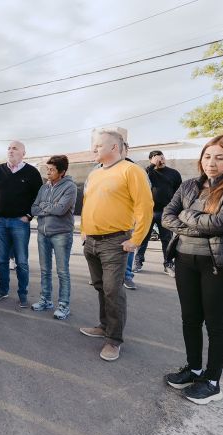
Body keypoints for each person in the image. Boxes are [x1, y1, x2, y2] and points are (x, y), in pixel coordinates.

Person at [161, 134, 223, 404]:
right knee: (190, 319)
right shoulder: (190, 184)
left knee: (216, 324)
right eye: (207, 156)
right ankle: (193, 369)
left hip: (221, 264)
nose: (211, 163)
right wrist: (202, 222)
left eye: (219, 157)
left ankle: (212, 381)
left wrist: (187, 215)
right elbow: (168, 216)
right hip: (185, 260)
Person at [79, 130, 153, 362]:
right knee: (101, 287)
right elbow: (88, 203)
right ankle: (104, 326)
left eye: (98, 146)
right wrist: (83, 232)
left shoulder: (131, 171)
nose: (94, 150)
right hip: (91, 241)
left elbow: (145, 206)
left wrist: (136, 240)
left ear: (114, 148)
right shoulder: (95, 173)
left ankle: (114, 340)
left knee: (113, 290)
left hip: (114, 242)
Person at [0, 140, 44, 307]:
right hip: (0, 222)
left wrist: (29, 215)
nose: (11, 151)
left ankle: (22, 294)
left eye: (15, 148)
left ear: (23, 153)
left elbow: (39, 197)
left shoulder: (31, 172)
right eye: (9, 148)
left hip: (20, 222)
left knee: (22, 261)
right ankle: (3, 290)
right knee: (2, 259)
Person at [30, 155, 78, 320]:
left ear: (62, 172)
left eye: (51, 170)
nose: (48, 172)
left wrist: (45, 207)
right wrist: (49, 207)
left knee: (62, 271)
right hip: (42, 233)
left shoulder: (70, 187)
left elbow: (60, 210)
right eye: (47, 169)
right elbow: (34, 208)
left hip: (61, 234)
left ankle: (64, 306)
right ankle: (45, 300)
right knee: (45, 270)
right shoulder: (44, 187)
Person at [133, 150, 182, 277]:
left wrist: (176, 210)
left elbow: (179, 193)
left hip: (166, 212)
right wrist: (152, 166)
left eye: (162, 157)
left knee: (167, 240)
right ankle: (138, 262)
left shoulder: (174, 173)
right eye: (157, 158)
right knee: (143, 238)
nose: (161, 160)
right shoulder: (148, 172)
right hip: (148, 211)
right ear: (151, 160)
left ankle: (168, 264)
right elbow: (141, 178)